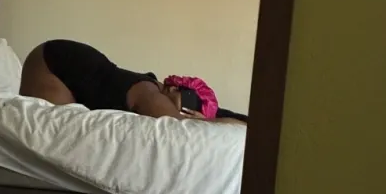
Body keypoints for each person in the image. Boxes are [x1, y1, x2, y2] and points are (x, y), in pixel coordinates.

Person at [19, 39, 247, 124]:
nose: (185, 111)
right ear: (173, 87)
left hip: (64, 60)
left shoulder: (148, 87)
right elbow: (177, 123)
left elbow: (228, 116)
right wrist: (206, 123)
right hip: (50, 62)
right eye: (187, 103)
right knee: (56, 130)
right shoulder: (148, 90)